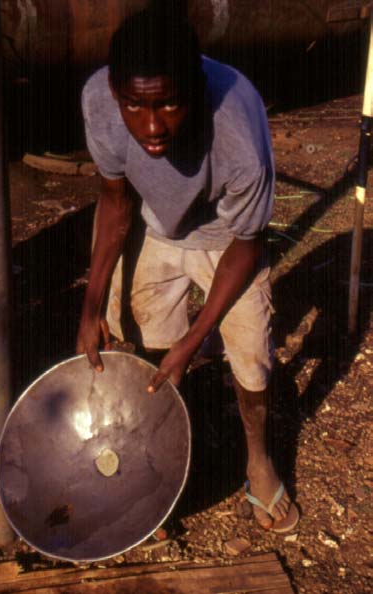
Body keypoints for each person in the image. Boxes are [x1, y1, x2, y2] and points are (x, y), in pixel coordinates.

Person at [76, 3, 299, 533]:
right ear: (114, 90)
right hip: (154, 225)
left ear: (196, 86)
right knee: (146, 335)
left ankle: (258, 461)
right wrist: (90, 302)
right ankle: (166, 446)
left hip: (225, 239)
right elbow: (114, 201)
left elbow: (247, 244)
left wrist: (201, 335)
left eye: (170, 104)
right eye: (135, 105)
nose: (152, 127)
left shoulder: (238, 131)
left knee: (250, 359)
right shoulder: (100, 103)